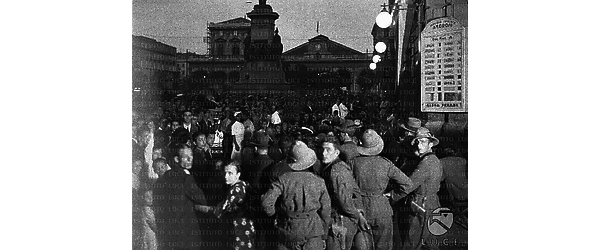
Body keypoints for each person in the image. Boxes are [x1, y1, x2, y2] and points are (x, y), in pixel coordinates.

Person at [347, 129, 414, 250]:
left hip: (360, 209)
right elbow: (408, 184)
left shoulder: (353, 163)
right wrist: (393, 195)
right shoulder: (386, 164)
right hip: (382, 209)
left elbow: (347, 187)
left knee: (362, 245)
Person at [261, 140, 331, 250]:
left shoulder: (283, 179)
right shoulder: (319, 181)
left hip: (288, 228)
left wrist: (275, 215)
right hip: (313, 230)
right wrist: (324, 234)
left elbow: (266, 203)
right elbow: (326, 211)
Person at [153, 144, 208, 250]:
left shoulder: (160, 181)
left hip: (168, 237)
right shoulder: (185, 178)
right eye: (185, 156)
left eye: (191, 155)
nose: (190, 159)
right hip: (187, 236)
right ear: (176, 159)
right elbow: (202, 200)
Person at [397, 127, 444, 250]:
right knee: (431, 243)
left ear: (430, 144)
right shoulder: (434, 160)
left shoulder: (426, 162)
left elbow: (409, 185)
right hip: (433, 204)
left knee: (411, 244)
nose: (419, 145)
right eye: (417, 142)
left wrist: (392, 195)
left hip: (421, 206)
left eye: (423, 142)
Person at [320, 136, 369, 250]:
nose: (323, 153)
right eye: (322, 149)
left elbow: (345, 202)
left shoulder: (337, 170)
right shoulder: (330, 167)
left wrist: (357, 216)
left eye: (328, 150)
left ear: (336, 152)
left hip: (340, 221)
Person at [194, 162, 256, 250]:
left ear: (238, 174)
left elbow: (219, 211)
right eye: (225, 173)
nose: (225, 176)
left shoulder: (234, 191)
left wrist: (198, 207)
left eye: (230, 173)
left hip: (238, 230)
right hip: (247, 228)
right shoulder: (243, 184)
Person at [245, 131, 275, 250]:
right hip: (269, 203)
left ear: (256, 148)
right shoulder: (273, 164)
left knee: (257, 233)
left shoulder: (250, 164)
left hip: (253, 203)